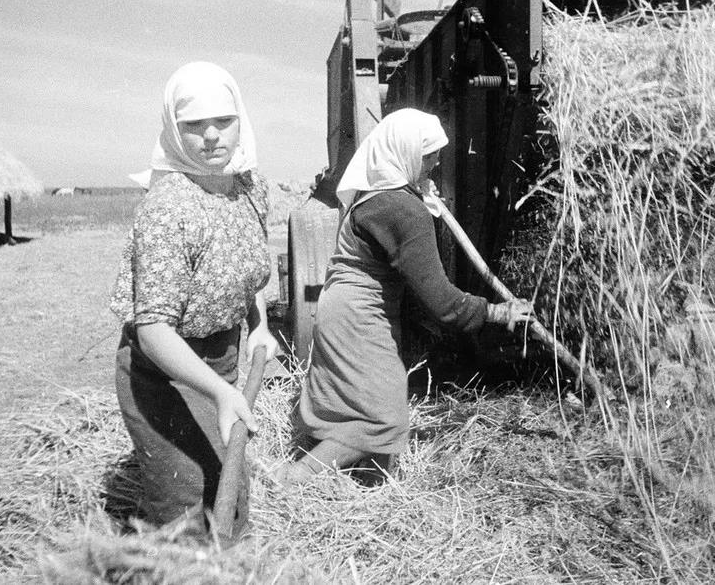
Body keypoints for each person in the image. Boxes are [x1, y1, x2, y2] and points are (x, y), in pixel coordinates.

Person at [275, 108, 531, 485]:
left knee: (375, 403)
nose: (437, 161)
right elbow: (442, 303)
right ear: (405, 153)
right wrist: (496, 312)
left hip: (349, 309)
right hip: (359, 317)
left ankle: (369, 486)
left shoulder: (380, 193)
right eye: (428, 155)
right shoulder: (401, 208)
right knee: (383, 419)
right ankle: (294, 478)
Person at [109, 61, 279, 535]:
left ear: (240, 119)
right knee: (188, 512)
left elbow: (249, 265)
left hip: (219, 365)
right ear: (173, 128)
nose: (210, 135)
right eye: (193, 124)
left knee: (232, 501)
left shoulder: (249, 187)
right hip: (164, 375)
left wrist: (258, 324)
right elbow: (154, 330)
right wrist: (222, 393)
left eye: (222, 120)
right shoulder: (168, 208)